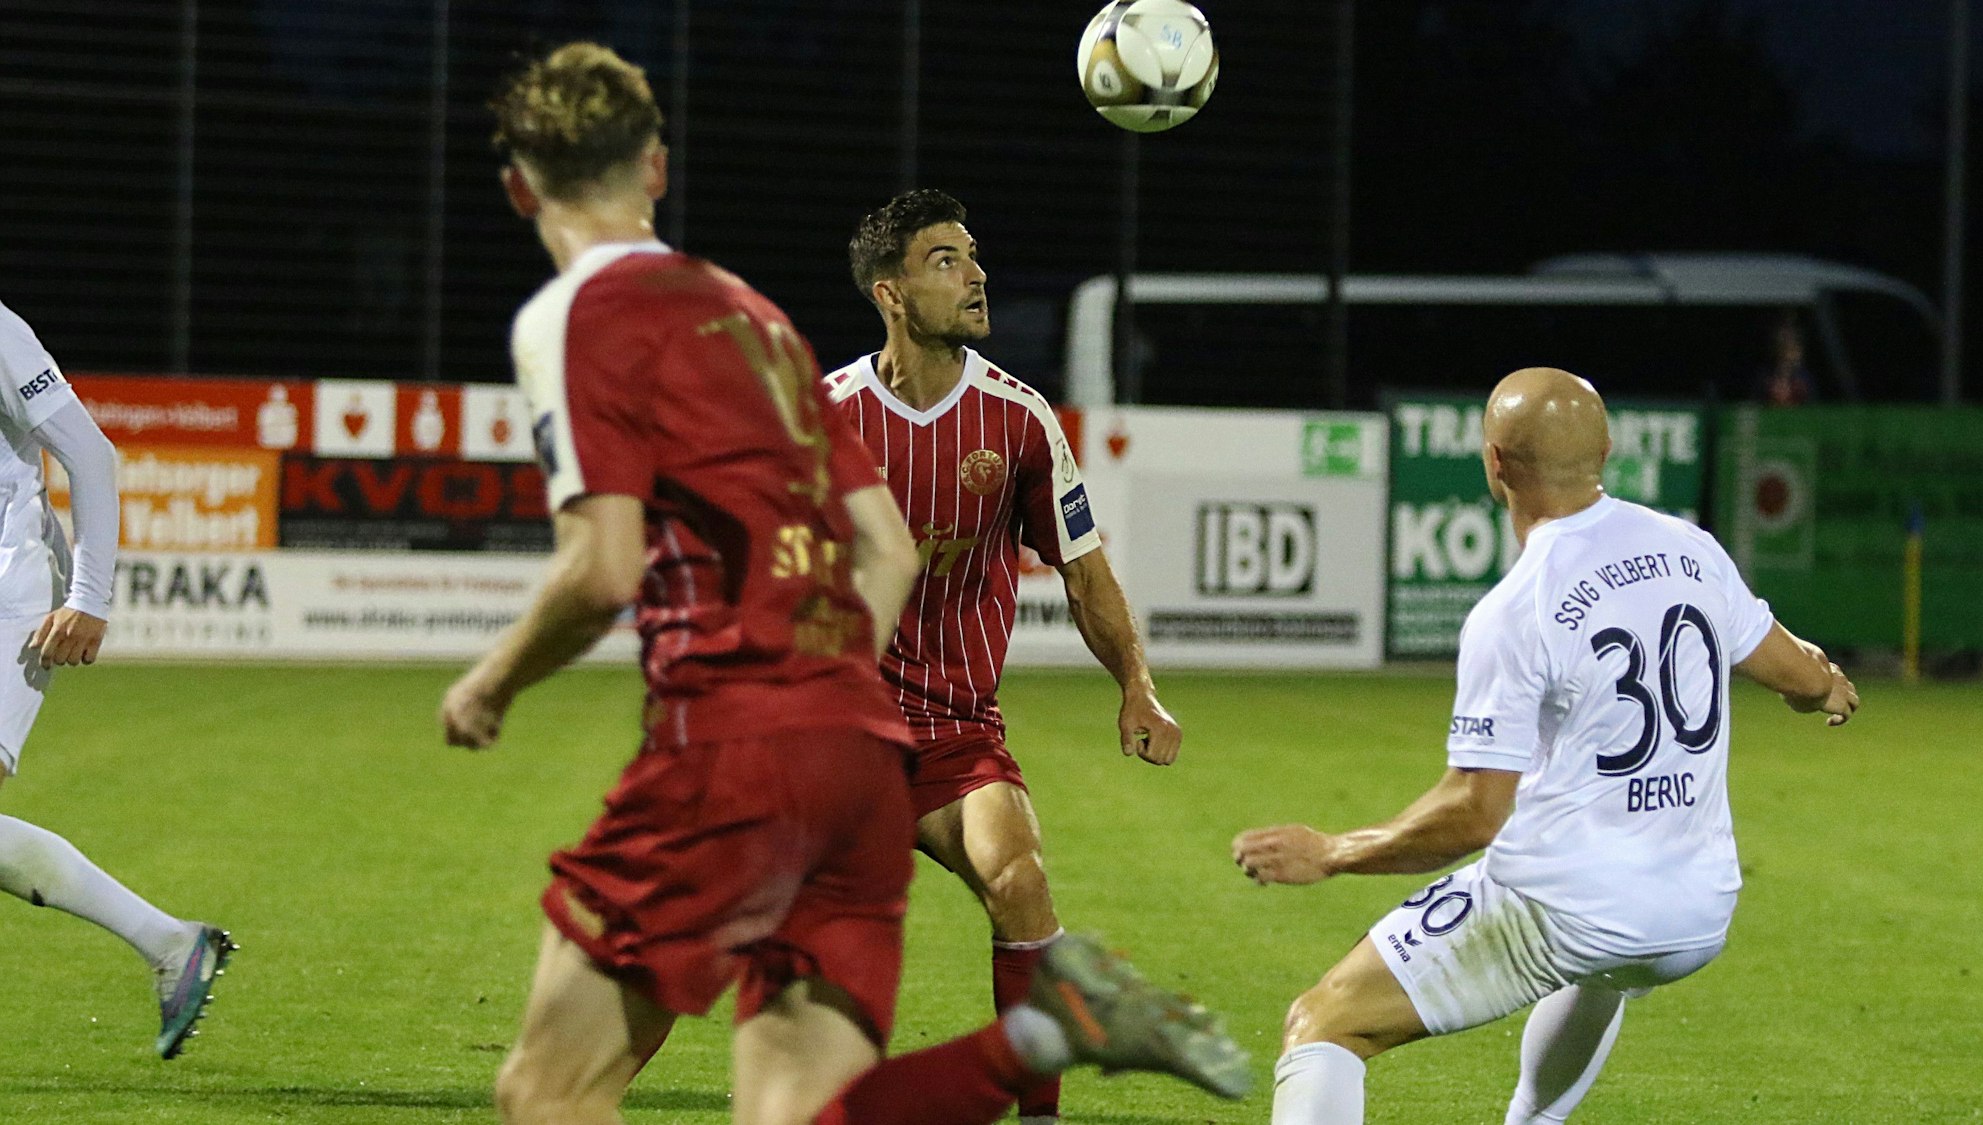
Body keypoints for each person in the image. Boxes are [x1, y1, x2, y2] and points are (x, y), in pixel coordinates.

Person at [441, 42, 1247, 1125]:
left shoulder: (572, 315)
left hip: (743, 738)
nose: (974, 275)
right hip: (856, 754)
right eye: (945, 259)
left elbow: (600, 572)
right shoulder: (755, 321)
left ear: (517, 186)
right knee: (792, 1113)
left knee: (549, 1090)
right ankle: (1040, 1036)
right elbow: (885, 551)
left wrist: (487, 684)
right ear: (655, 169)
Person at [1232, 367, 1860, 1125]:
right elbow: (1793, 670)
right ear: (1608, 450)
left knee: (1323, 1022)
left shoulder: (1518, 606)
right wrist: (1825, 685)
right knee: (1601, 970)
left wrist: (1332, 851)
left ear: (1494, 462)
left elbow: (1473, 814)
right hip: (1696, 911)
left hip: (1570, 905)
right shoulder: (1690, 549)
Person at [824, 188, 1182, 1125]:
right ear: (889, 292)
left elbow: (1087, 573)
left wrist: (1137, 688)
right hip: (834, 733)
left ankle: (1040, 1119)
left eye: (974, 255)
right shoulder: (824, 417)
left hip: (951, 734)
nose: (977, 274)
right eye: (946, 260)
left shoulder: (1019, 421)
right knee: (718, 920)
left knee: (1020, 880)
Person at [0, 299, 233, 1059]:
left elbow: (91, 454)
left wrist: (89, 598)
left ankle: (169, 942)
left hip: (13, 595)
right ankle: (170, 942)